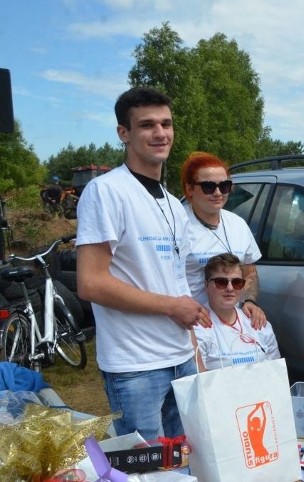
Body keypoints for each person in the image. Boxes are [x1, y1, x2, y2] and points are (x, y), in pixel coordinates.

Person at [76, 87, 211, 441]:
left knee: (185, 462)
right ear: (124, 133)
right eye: (147, 125)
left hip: (181, 358)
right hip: (134, 366)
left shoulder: (171, 203)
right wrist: (172, 307)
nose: (160, 133)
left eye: (166, 123)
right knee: (144, 471)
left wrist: (195, 354)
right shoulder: (107, 191)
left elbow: (176, 281)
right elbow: (90, 282)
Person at [181, 151, 266, 328]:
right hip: (192, 325)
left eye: (225, 186)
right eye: (208, 187)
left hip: (231, 324)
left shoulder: (238, 224)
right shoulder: (177, 225)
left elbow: (248, 269)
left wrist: (249, 301)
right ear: (189, 190)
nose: (218, 193)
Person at [193, 253, 280, 370]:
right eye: (221, 282)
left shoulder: (258, 322)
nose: (230, 288)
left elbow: (276, 370)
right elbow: (199, 379)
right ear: (206, 285)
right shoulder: (198, 327)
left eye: (237, 282)